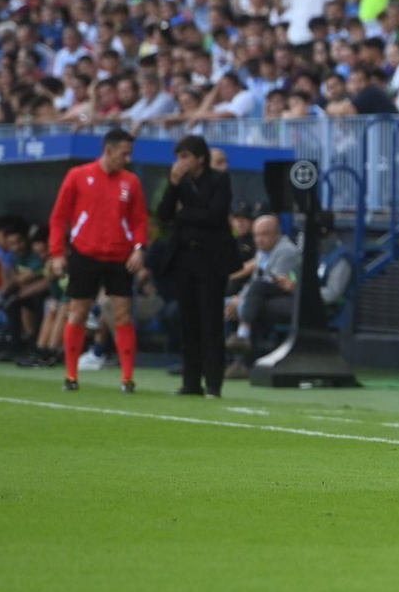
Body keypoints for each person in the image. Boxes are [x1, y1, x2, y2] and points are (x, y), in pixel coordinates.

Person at [46, 129, 147, 391]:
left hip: (120, 256)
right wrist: (57, 252)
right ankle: (71, 376)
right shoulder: (78, 176)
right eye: (124, 153)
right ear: (109, 149)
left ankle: (127, 378)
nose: (127, 158)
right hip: (85, 253)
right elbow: (59, 217)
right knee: (77, 312)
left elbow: (139, 220)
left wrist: (139, 248)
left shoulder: (131, 182)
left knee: (122, 314)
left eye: (130, 154)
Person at [158, 135, 240, 398]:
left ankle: (214, 384)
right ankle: (190, 382)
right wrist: (173, 186)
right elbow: (162, 214)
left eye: (185, 157)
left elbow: (215, 216)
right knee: (188, 322)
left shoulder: (219, 180)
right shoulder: (178, 182)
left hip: (211, 260)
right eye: (178, 157)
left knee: (210, 322)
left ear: (200, 158)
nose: (180, 163)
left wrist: (184, 214)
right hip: (184, 258)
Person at [225, 214, 300, 372]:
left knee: (251, 303)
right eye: (256, 235)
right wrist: (238, 299)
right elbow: (253, 283)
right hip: (262, 300)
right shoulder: (261, 253)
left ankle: (243, 345)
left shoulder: (287, 251)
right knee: (229, 306)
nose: (259, 239)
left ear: (277, 233)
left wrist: (243, 300)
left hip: (289, 301)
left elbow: (273, 284)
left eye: (264, 234)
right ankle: (232, 361)